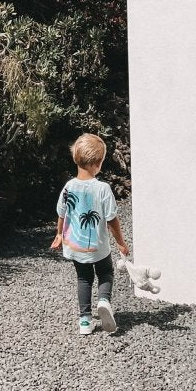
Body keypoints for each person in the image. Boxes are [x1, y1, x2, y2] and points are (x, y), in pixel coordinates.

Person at [50, 132, 129, 335]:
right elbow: (112, 219)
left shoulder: (69, 186)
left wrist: (59, 234)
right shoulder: (102, 188)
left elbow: (62, 212)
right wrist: (120, 242)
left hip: (76, 245)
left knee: (83, 279)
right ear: (96, 163)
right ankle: (103, 301)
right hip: (98, 246)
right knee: (106, 273)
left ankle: (85, 321)